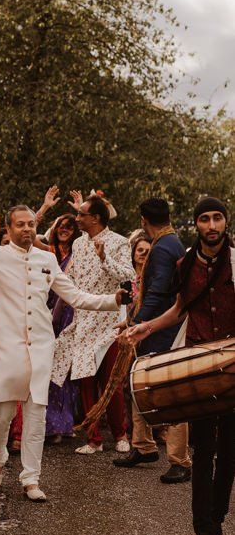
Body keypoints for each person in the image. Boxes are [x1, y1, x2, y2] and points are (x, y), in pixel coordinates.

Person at [0, 199, 124, 502]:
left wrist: (113, 300)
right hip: (4, 351)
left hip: (40, 349)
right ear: (8, 229)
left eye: (31, 224)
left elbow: (75, 296)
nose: (27, 228)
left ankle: (31, 479)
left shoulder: (46, 260)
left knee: (36, 417)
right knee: (0, 418)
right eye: (20, 224)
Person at [125, 197, 234, 535]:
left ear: (225, 222)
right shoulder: (185, 263)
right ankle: (202, 533)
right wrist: (146, 327)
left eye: (218, 218)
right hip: (198, 367)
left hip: (233, 366)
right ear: (197, 224)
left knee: (229, 453)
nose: (212, 225)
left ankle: (217, 519)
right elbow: (179, 309)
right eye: (205, 219)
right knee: (202, 450)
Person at [51, 193, 135, 455]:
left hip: (110, 320)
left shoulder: (119, 242)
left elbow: (129, 275)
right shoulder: (77, 244)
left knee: (112, 382)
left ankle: (121, 435)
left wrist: (104, 259)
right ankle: (94, 439)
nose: (77, 218)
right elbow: (71, 278)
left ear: (95, 217)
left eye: (81, 215)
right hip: (83, 320)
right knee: (85, 380)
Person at [114, 199, 191, 482]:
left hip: (163, 330)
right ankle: (143, 446)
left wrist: (136, 323)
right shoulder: (171, 242)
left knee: (170, 391)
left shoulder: (163, 248)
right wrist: (133, 316)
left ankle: (180, 459)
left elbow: (158, 294)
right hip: (156, 326)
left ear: (144, 219)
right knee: (136, 384)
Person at [44, 214, 82, 443]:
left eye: (69, 227)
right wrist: (48, 209)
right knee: (48, 370)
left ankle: (65, 423)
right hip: (45, 311)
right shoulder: (48, 251)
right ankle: (51, 425)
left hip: (69, 314)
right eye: (61, 226)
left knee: (64, 372)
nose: (64, 230)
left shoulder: (78, 254)